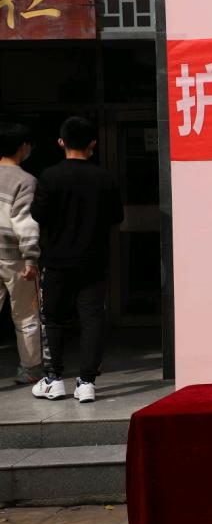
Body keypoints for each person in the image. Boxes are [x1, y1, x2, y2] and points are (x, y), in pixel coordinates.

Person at [30, 117, 123, 402]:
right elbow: (117, 217)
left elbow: (37, 214)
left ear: (61, 142)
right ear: (93, 143)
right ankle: (86, 383)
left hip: (57, 261)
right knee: (93, 319)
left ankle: (54, 379)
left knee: (52, 319)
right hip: (93, 261)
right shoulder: (105, 178)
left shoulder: (50, 177)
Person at [0, 122, 42, 385]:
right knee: (26, 315)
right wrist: (31, 258)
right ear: (23, 147)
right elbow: (25, 223)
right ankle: (29, 369)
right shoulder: (26, 181)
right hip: (15, 258)